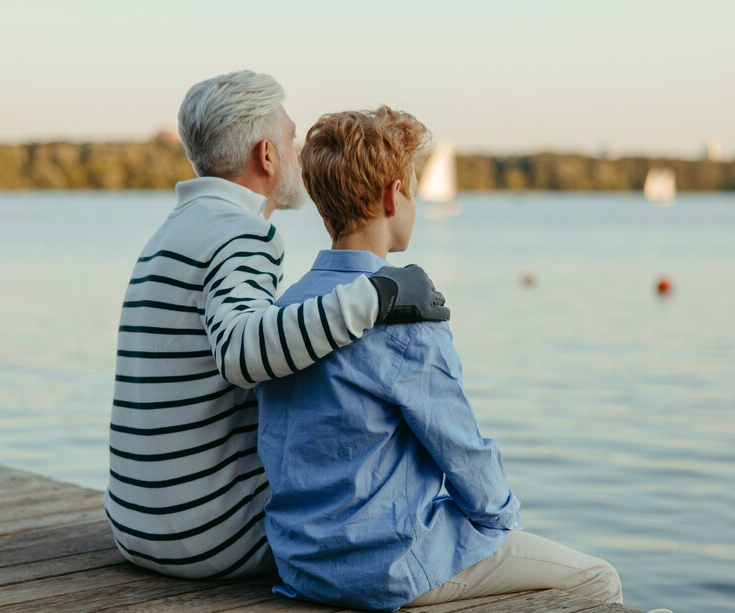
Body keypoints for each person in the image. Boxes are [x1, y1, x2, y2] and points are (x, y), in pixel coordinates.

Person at [254, 106, 622, 611]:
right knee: (598, 580)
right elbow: (464, 453)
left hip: (301, 563)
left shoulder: (284, 313)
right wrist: (503, 527)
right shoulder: (407, 318)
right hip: (390, 565)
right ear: (393, 197)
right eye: (412, 189)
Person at [105, 71, 449, 581]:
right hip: (215, 537)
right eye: (290, 139)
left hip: (136, 527)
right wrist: (378, 295)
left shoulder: (174, 230)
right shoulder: (243, 233)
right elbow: (242, 353)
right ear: (266, 156)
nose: (298, 153)